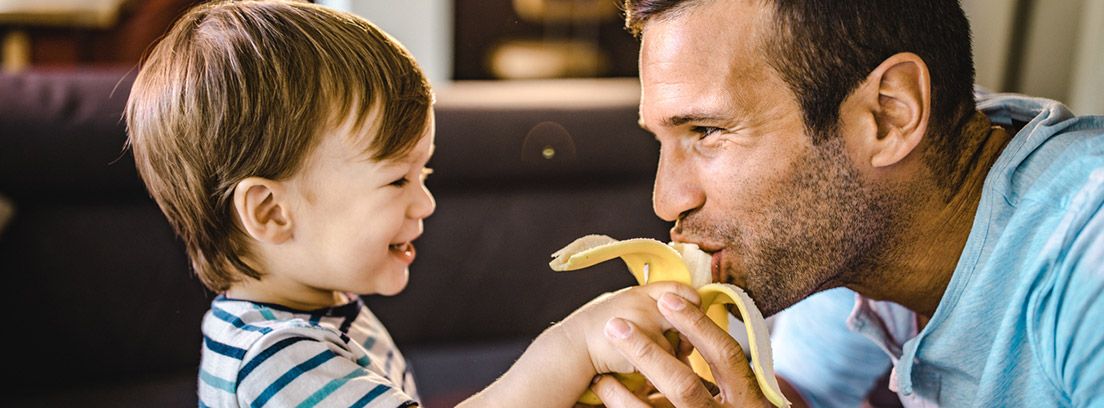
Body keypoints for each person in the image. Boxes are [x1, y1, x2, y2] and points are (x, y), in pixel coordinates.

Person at [125, 1, 700, 406]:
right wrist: (572, 348)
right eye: (397, 180)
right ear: (272, 213)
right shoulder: (277, 361)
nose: (425, 202)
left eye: (422, 172)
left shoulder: (309, 314)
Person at [587, 0, 1104, 407]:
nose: (666, 201)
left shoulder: (1087, 261)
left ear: (889, 116)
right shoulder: (865, 215)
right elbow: (804, 390)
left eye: (707, 131)